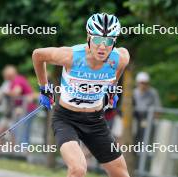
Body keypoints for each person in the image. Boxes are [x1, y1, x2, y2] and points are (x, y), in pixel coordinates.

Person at [32, 13, 130, 177]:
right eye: (97, 40)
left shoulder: (120, 59)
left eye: (108, 41)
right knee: (78, 169)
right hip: (66, 119)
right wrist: (44, 88)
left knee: (121, 174)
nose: (102, 47)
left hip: (96, 122)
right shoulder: (70, 56)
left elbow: (118, 71)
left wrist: (112, 89)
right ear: (88, 37)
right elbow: (38, 55)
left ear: (114, 42)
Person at [133, 71, 161, 144]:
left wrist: (155, 118)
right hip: (135, 118)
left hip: (148, 118)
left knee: (146, 133)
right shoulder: (134, 93)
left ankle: (144, 151)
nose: (143, 85)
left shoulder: (153, 93)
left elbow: (158, 108)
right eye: (141, 83)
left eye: (145, 83)